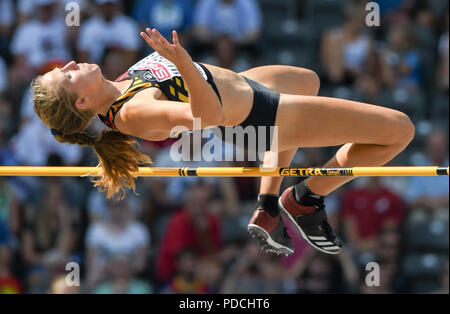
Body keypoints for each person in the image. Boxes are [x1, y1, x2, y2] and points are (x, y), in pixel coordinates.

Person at [32, 28, 416, 256]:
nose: (68, 65)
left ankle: (267, 204)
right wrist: (181, 60)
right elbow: (207, 118)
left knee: (307, 81)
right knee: (399, 130)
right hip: (258, 117)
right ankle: (305, 198)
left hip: (245, 86)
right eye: (64, 76)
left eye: (62, 67)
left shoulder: (117, 84)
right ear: (82, 102)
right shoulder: (132, 113)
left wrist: (186, 65)